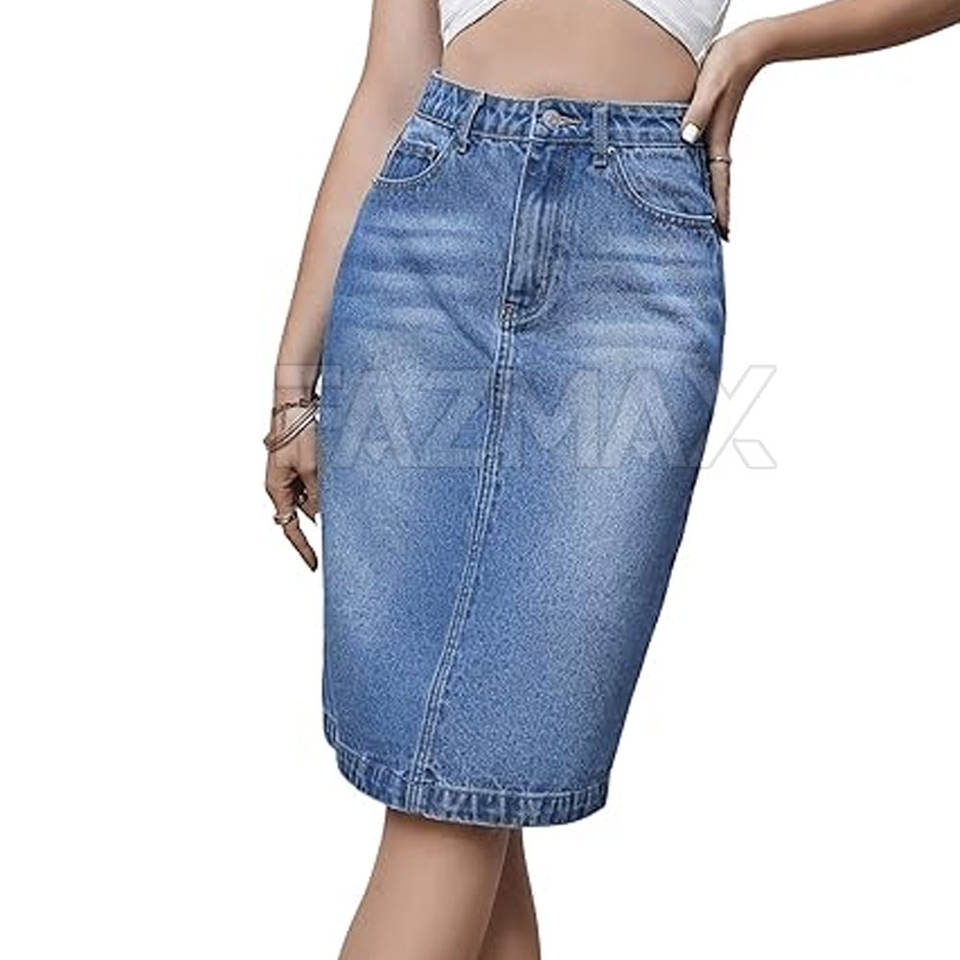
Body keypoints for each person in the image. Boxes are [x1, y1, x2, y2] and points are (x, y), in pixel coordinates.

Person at [263, 2, 959, 957]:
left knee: (468, 779)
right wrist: (292, 389)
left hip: (630, 262)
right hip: (423, 235)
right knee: (469, 792)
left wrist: (761, 44)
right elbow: (390, 88)